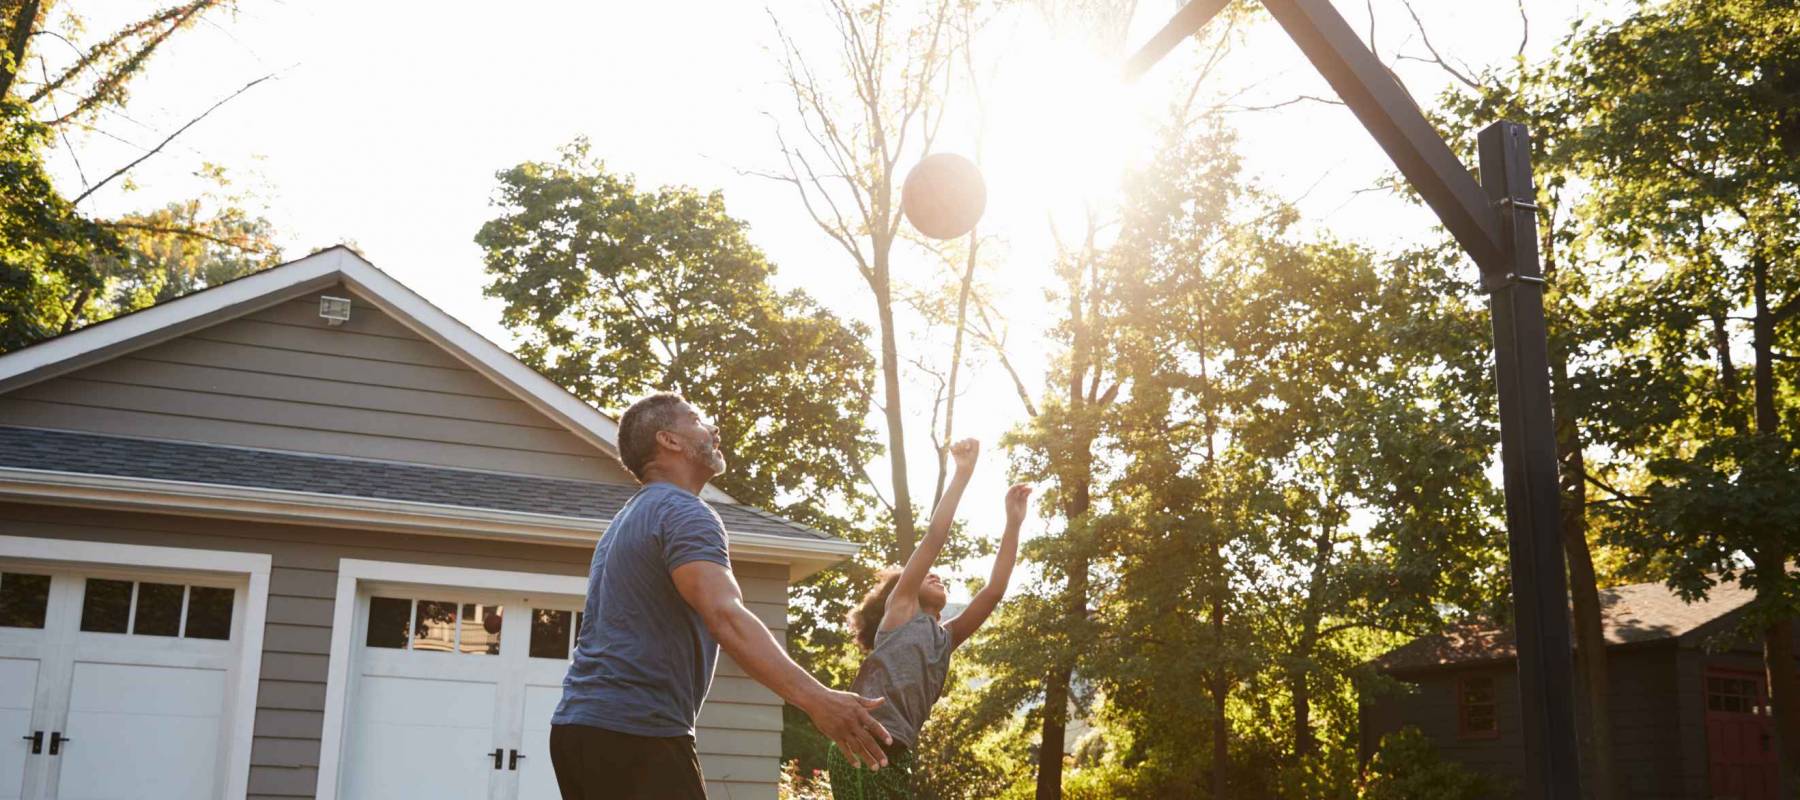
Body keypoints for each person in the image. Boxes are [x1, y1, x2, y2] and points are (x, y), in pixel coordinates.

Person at [550, 392, 893, 800]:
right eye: (695, 419)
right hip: (636, 733)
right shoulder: (684, 512)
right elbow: (725, 615)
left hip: (581, 730)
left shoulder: (626, 521)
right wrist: (818, 699)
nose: (712, 428)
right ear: (669, 441)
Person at [829, 438, 1031, 798]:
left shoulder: (945, 638)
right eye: (928, 574)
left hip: (899, 752)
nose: (937, 575)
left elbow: (994, 591)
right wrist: (962, 474)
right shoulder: (900, 610)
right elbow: (935, 537)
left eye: (940, 576)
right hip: (863, 740)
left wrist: (1013, 523)